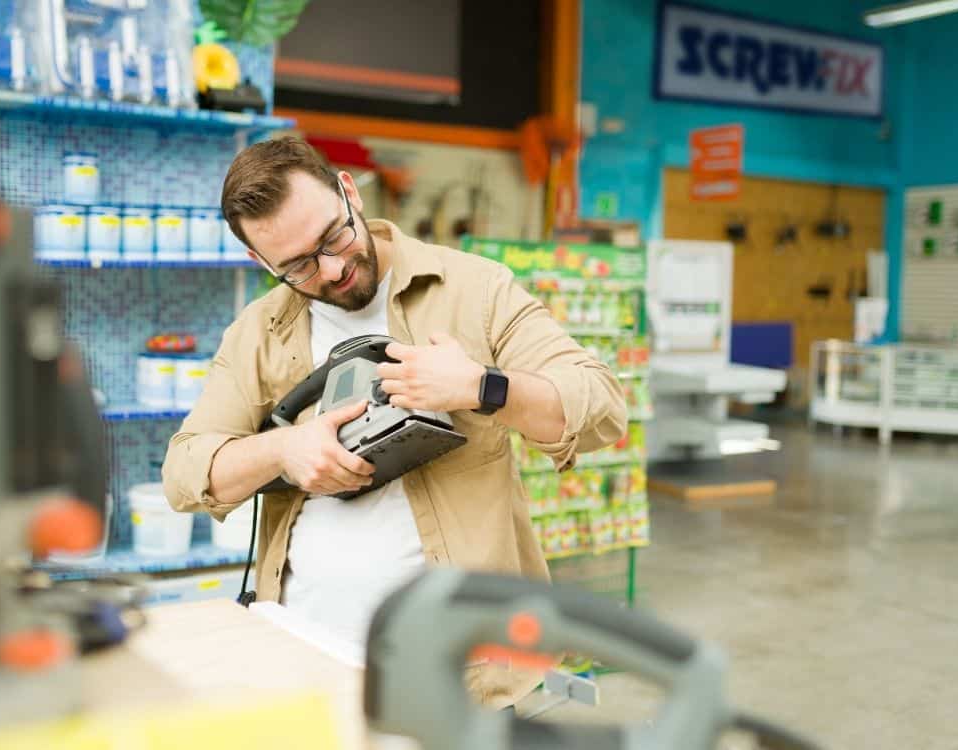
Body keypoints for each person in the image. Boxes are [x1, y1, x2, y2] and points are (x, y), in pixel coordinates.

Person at [162, 137, 627, 708]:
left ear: (350, 192)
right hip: (308, 665)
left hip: (464, 677)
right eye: (298, 266)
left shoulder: (475, 289)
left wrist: (481, 386)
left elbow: (601, 404)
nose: (331, 269)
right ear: (262, 264)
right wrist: (285, 450)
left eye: (333, 237)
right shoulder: (259, 332)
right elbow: (184, 471)